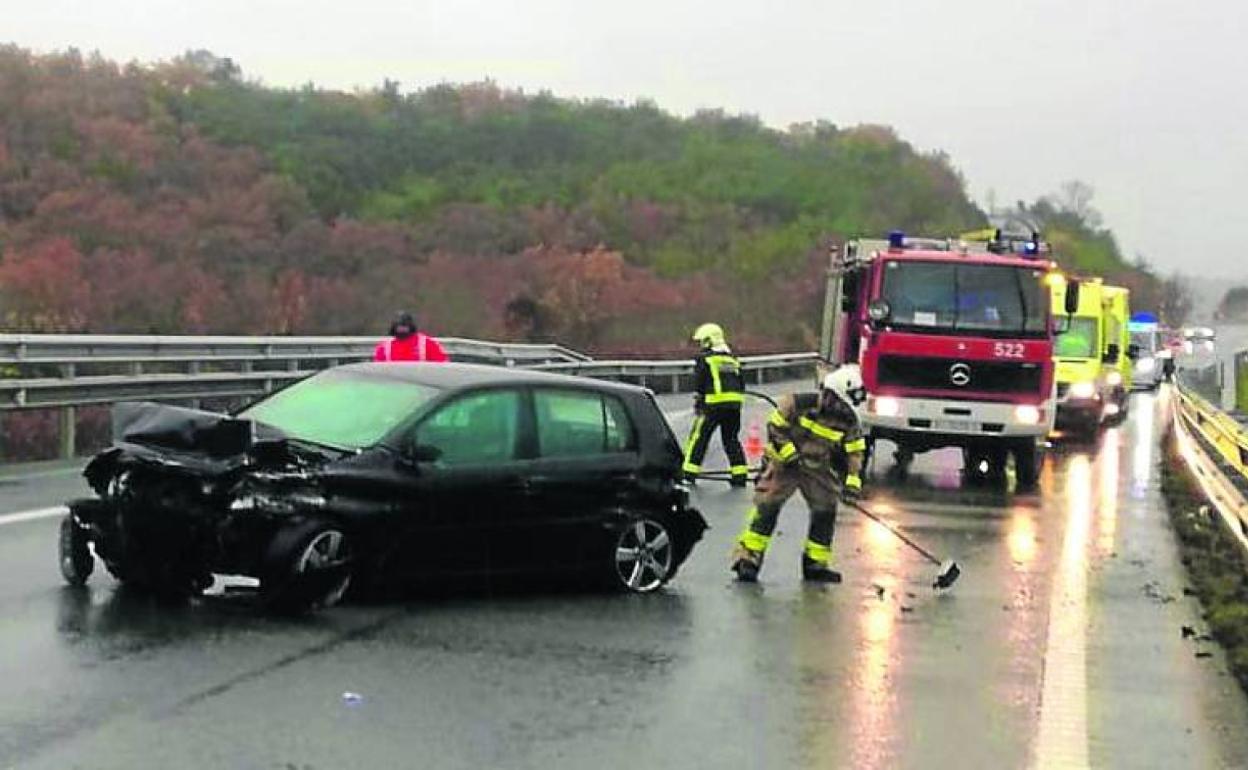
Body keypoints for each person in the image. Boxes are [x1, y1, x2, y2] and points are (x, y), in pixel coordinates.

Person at [731, 364, 868, 583]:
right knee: (768, 506)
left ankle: (815, 564)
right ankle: (748, 560)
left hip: (817, 466)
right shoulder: (799, 403)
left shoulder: (850, 420)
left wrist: (852, 484)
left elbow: (854, 453)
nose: (842, 410)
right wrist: (789, 454)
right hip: (785, 463)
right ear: (831, 395)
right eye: (841, 404)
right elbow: (775, 427)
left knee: (825, 509)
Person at [682, 323, 749, 487]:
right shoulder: (732, 359)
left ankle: (688, 473)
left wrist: (699, 401)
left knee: (700, 438)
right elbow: (741, 382)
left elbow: (700, 383)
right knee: (731, 439)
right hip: (734, 406)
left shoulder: (705, 359)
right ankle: (739, 475)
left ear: (708, 340)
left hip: (713, 405)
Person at [373, 311, 449, 363]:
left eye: (405, 326)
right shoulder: (384, 347)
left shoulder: (427, 344)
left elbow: (442, 365)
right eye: (399, 326)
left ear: (411, 326)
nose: (402, 329)